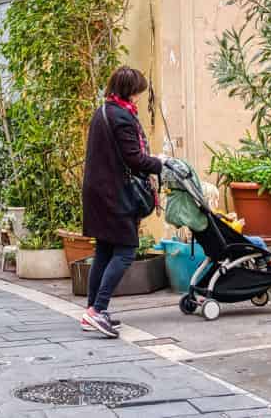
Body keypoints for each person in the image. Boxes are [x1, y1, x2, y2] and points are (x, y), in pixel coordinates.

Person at [78, 66, 161, 338]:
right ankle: (96, 310)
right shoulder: (122, 118)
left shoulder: (102, 112)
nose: (139, 97)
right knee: (125, 250)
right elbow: (134, 159)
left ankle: (93, 310)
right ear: (129, 91)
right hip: (114, 195)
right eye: (137, 91)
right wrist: (162, 164)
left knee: (104, 250)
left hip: (97, 192)